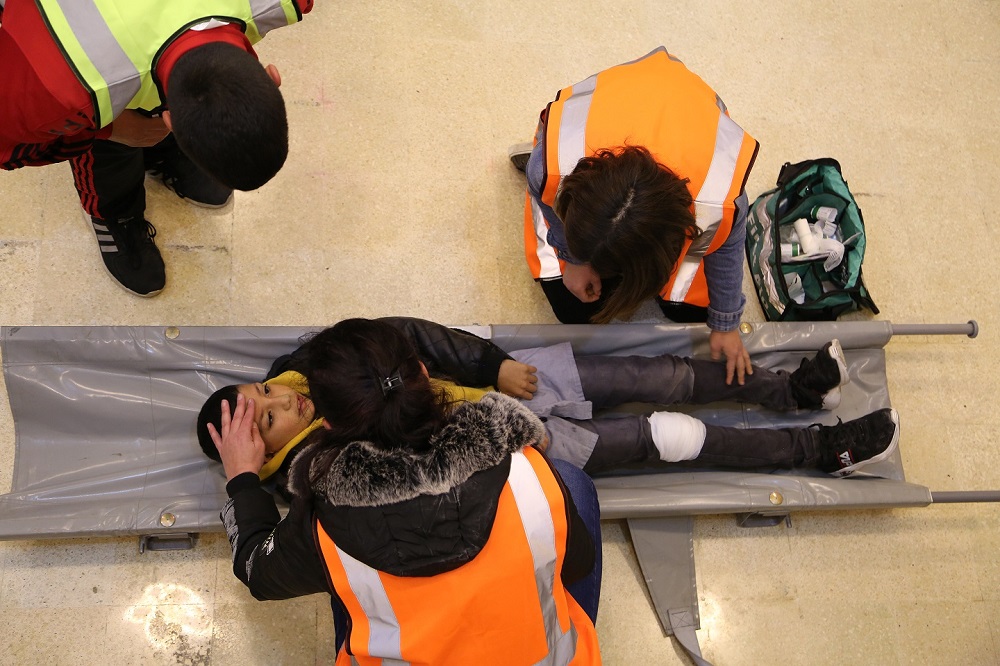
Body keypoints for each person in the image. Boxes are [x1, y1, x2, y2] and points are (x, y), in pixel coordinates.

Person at [208, 318, 604, 664]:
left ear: (327, 428)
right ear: (423, 373)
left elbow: (256, 572)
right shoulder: (528, 470)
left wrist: (242, 478)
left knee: (342, 575)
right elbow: (577, 565)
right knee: (572, 482)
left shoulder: (320, 527)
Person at [198, 317, 902, 491]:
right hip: (523, 450)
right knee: (672, 436)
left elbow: (410, 335)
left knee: (659, 378)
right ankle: (820, 450)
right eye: (268, 419)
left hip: (520, 385)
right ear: (258, 453)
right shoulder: (327, 476)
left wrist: (492, 363)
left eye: (265, 394)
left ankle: (792, 393)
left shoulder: (309, 365)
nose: (283, 401)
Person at [0, 0, 314, 297]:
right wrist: (114, 128)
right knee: (104, 142)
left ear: (272, 76)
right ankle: (113, 212)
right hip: (62, 43)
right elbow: (8, 148)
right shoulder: (58, 90)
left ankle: (165, 145)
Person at [519, 46, 760, 385]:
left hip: (688, 107)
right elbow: (543, 193)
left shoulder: (716, 195)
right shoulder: (551, 165)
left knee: (690, 312)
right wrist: (572, 258)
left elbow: (727, 245)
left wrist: (726, 322)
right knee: (573, 309)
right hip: (622, 95)